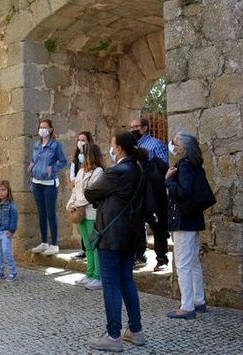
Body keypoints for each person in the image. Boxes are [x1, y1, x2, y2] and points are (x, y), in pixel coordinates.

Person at [84, 131, 147, 351]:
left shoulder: (117, 171)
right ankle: (135, 330)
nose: (111, 149)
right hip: (130, 234)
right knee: (126, 281)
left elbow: (91, 192)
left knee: (110, 284)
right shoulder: (138, 170)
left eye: (112, 145)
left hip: (111, 235)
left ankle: (113, 336)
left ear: (119, 148)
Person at [165, 131, 208, 319]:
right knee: (193, 263)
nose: (172, 146)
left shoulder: (184, 166)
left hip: (183, 220)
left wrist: (168, 180)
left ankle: (187, 306)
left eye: (174, 143)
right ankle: (198, 301)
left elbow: (183, 192)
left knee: (182, 264)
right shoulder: (195, 164)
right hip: (193, 218)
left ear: (182, 148)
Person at [130, 117, 170, 271]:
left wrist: (147, 160)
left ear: (145, 127)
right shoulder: (131, 146)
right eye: (131, 127)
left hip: (153, 190)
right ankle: (140, 256)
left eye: (136, 127)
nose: (133, 129)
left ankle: (162, 259)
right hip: (137, 190)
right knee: (137, 223)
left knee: (158, 225)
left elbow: (163, 166)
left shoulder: (156, 144)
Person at [66, 143, 104, 290]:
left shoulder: (98, 172)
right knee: (87, 245)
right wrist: (70, 204)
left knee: (95, 245)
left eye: (83, 153)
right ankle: (89, 273)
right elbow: (75, 190)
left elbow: (92, 193)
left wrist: (77, 204)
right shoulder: (81, 171)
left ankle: (98, 276)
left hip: (91, 213)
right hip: (80, 212)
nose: (80, 156)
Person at [27, 118, 68, 256]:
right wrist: (32, 166)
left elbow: (63, 161)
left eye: (45, 127)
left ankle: (54, 244)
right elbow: (34, 159)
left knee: (51, 213)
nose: (42, 129)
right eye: (40, 127)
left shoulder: (56, 146)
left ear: (50, 130)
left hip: (50, 184)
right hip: (37, 182)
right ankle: (44, 242)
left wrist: (53, 169)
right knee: (41, 213)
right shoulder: (36, 145)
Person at [69, 131, 95, 260]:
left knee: (92, 239)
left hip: (89, 205)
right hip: (79, 200)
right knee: (84, 233)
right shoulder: (77, 161)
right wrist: (72, 204)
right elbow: (72, 181)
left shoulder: (97, 170)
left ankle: (95, 273)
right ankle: (85, 254)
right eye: (79, 139)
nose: (80, 142)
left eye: (83, 140)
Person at [0, 180, 19, 282]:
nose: (1, 192)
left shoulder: (11, 205)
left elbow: (14, 217)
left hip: (6, 232)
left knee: (6, 251)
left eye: (3, 190)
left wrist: (11, 230)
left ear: (8, 191)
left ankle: (13, 272)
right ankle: (0, 272)